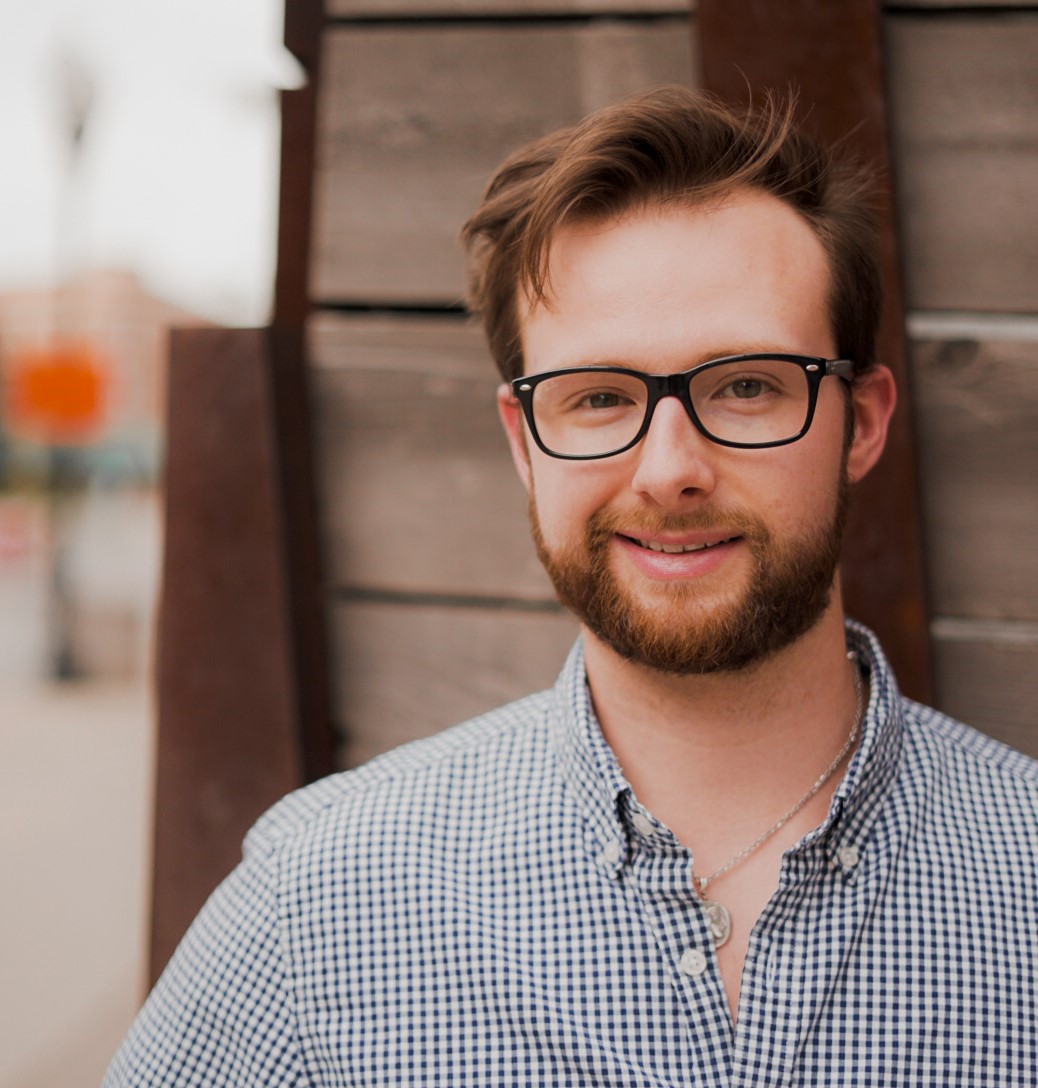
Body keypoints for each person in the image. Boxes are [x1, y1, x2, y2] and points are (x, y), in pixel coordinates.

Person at [106, 86, 1037, 1085]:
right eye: (598, 397)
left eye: (746, 385)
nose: (669, 468)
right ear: (523, 445)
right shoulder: (317, 903)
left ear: (858, 422)